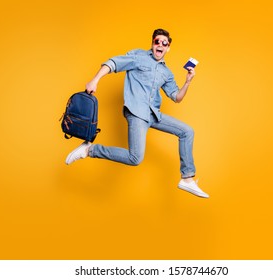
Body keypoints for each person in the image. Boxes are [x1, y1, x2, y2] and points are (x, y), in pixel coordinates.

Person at [65, 28, 209, 198]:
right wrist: (95, 80)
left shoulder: (166, 72)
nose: (160, 45)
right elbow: (113, 63)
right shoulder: (139, 56)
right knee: (135, 158)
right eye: (157, 42)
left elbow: (176, 97)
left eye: (165, 43)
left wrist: (188, 82)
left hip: (153, 114)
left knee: (187, 131)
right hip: (136, 112)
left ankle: (187, 178)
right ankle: (90, 150)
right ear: (152, 43)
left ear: (168, 48)